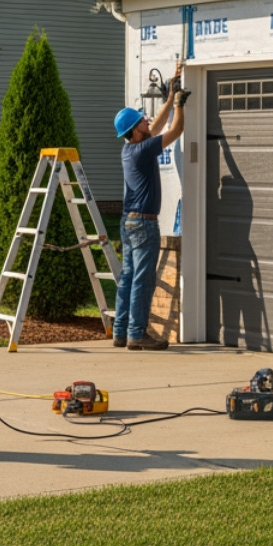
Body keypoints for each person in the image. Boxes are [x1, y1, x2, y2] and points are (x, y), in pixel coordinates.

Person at [110, 61, 187, 351]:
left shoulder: (130, 148)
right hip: (144, 224)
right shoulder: (143, 150)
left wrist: (170, 97)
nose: (147, 120)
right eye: (142, 120)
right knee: (143, 280)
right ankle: (137, 334)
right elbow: (176, 129)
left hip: (129, 223)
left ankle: (121, 332)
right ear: (135, 130)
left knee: (128, 277)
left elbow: (156, 126)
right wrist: (180, 105)